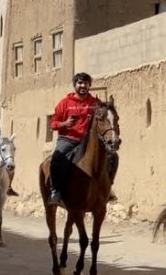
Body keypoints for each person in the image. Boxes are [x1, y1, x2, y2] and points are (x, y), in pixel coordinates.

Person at [47, 72, 118, 206]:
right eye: (79, 83)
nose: (82, 86)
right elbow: (52, 124)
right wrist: (65, 124)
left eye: (85, 83)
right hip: (68, 139)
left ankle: (108, 189)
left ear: (89, 85)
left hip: (88, 141)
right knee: (57, 158)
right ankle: (55, 191)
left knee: (113, 157)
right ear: (75, 85)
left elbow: (104, 117)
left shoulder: (94, 103)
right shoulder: (65, 103)